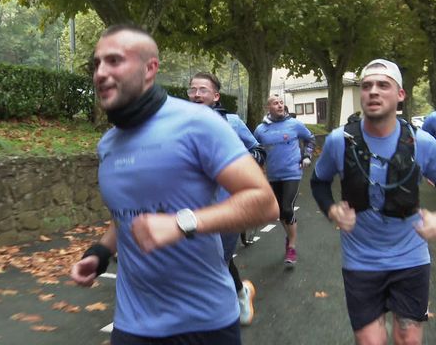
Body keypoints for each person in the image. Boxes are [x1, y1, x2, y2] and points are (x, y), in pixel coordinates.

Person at [70, 25, 278, 345]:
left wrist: (182, 224)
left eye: (114, 61)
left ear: (150, 68)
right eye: (96, 64)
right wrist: (99, 253)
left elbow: (264, 202)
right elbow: (128, 214)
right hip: (132, 323)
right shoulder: (108, 144)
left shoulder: (197, 123)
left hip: (203, 323)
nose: (100, 72)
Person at [310, 59, 436, 344]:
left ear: (400, 95)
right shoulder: (338, 141)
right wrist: (332, 210)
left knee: (409, 338)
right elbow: (319, 183)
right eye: (367, 86)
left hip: (410, 258)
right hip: (361, 260)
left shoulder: (422, 143)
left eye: (383, 85)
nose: (373, 92)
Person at [187, 71, 265, 326]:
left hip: (230, 206)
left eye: (203, 90)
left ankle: (229, 304)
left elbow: (258, 150)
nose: (197, 94)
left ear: (216, 95)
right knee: (202, 260)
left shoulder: (231, 122)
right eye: (192, 89)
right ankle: (239, 291)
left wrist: (239, 165)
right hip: (192, 208)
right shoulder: (180, 123)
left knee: (219, 260)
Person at [254, 94, 315, 265]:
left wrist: (307, 156)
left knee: (287, 208)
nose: (280, 105)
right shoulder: (260, 130)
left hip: (292, 173)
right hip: (273, 175)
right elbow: (255, 148)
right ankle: (290, 237)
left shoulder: (294, 124)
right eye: (275, 103)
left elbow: (310, 139)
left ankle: (292, 246)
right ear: (268, 108)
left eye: (281, 102)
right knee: (280, 212)